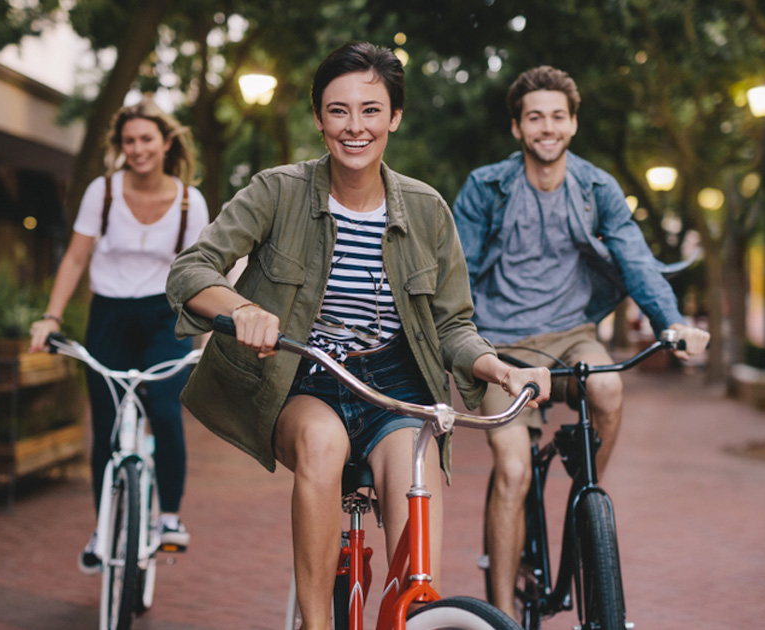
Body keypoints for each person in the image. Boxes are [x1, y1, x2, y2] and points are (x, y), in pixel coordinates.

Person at [167, 42, 550, 629]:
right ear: (319, 118)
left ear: (394, 117)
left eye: (371, 110)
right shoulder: (278, 190)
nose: (355, 127)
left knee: (415, 472)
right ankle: (318, 624)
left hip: (395, 384)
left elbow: (452, 325)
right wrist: (242, 308)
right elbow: (191, 269)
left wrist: (498, 368)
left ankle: (412, 616)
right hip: (305, 376)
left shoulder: (426, 210)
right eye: (338, 110)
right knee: (322, 446)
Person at [451, 65, 711, 619]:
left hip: (573, 335)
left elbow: (636, 261)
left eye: (558, 117)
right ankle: (499, 615)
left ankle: (581, 504)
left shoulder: (596, 188)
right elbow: (458, 277)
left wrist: (671, 322)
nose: (548, 127)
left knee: (611, 391)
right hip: (502, 347)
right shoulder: (485, 188)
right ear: (518, 128)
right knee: (514, 470)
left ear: (573, 124)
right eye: (535, 117)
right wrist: (466, 348)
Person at [29, 98, 209, 573]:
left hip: (165, 316)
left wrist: (211, 333)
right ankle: (103, 526)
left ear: (166, 142)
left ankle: (168, 517)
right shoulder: (102, 192)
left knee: (166, 410)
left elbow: (205, 271)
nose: (137, 149)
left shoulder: (190, 200)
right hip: (108, 315)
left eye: (146, 139)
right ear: (120, 146)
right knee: (106, 427)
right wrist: (51, 316)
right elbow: (74, 258)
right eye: (129, 141)